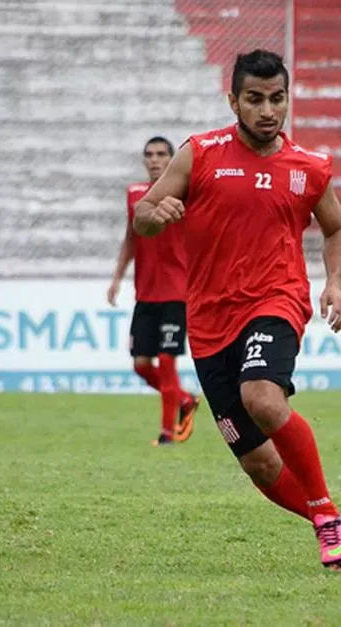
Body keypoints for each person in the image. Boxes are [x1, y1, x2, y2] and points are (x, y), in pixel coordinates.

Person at [132, 50, 341, 572]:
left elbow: (338, 228)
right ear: (232, 99)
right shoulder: (200, 152)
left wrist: (335, 285)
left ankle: (326, 518)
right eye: (254, 99)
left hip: (275, 301)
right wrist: (156, 212)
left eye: (277, 98)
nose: (267, 110)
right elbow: (145, 213)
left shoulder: (308, 167)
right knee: (259, 463)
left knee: (261, 396)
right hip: (209, 322)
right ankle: (335, 522)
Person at [108, 136, 200, 447]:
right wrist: (117, 278)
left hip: (176, 293)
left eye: (162, 154)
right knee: (141, 366)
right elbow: (130, 239)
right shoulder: (135, 195)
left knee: (166, 361)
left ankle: (166, 433)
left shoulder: (183, 196)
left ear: (172, 159)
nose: (155, 159)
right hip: (145, 293)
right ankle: (185, 399)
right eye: (149, 154)